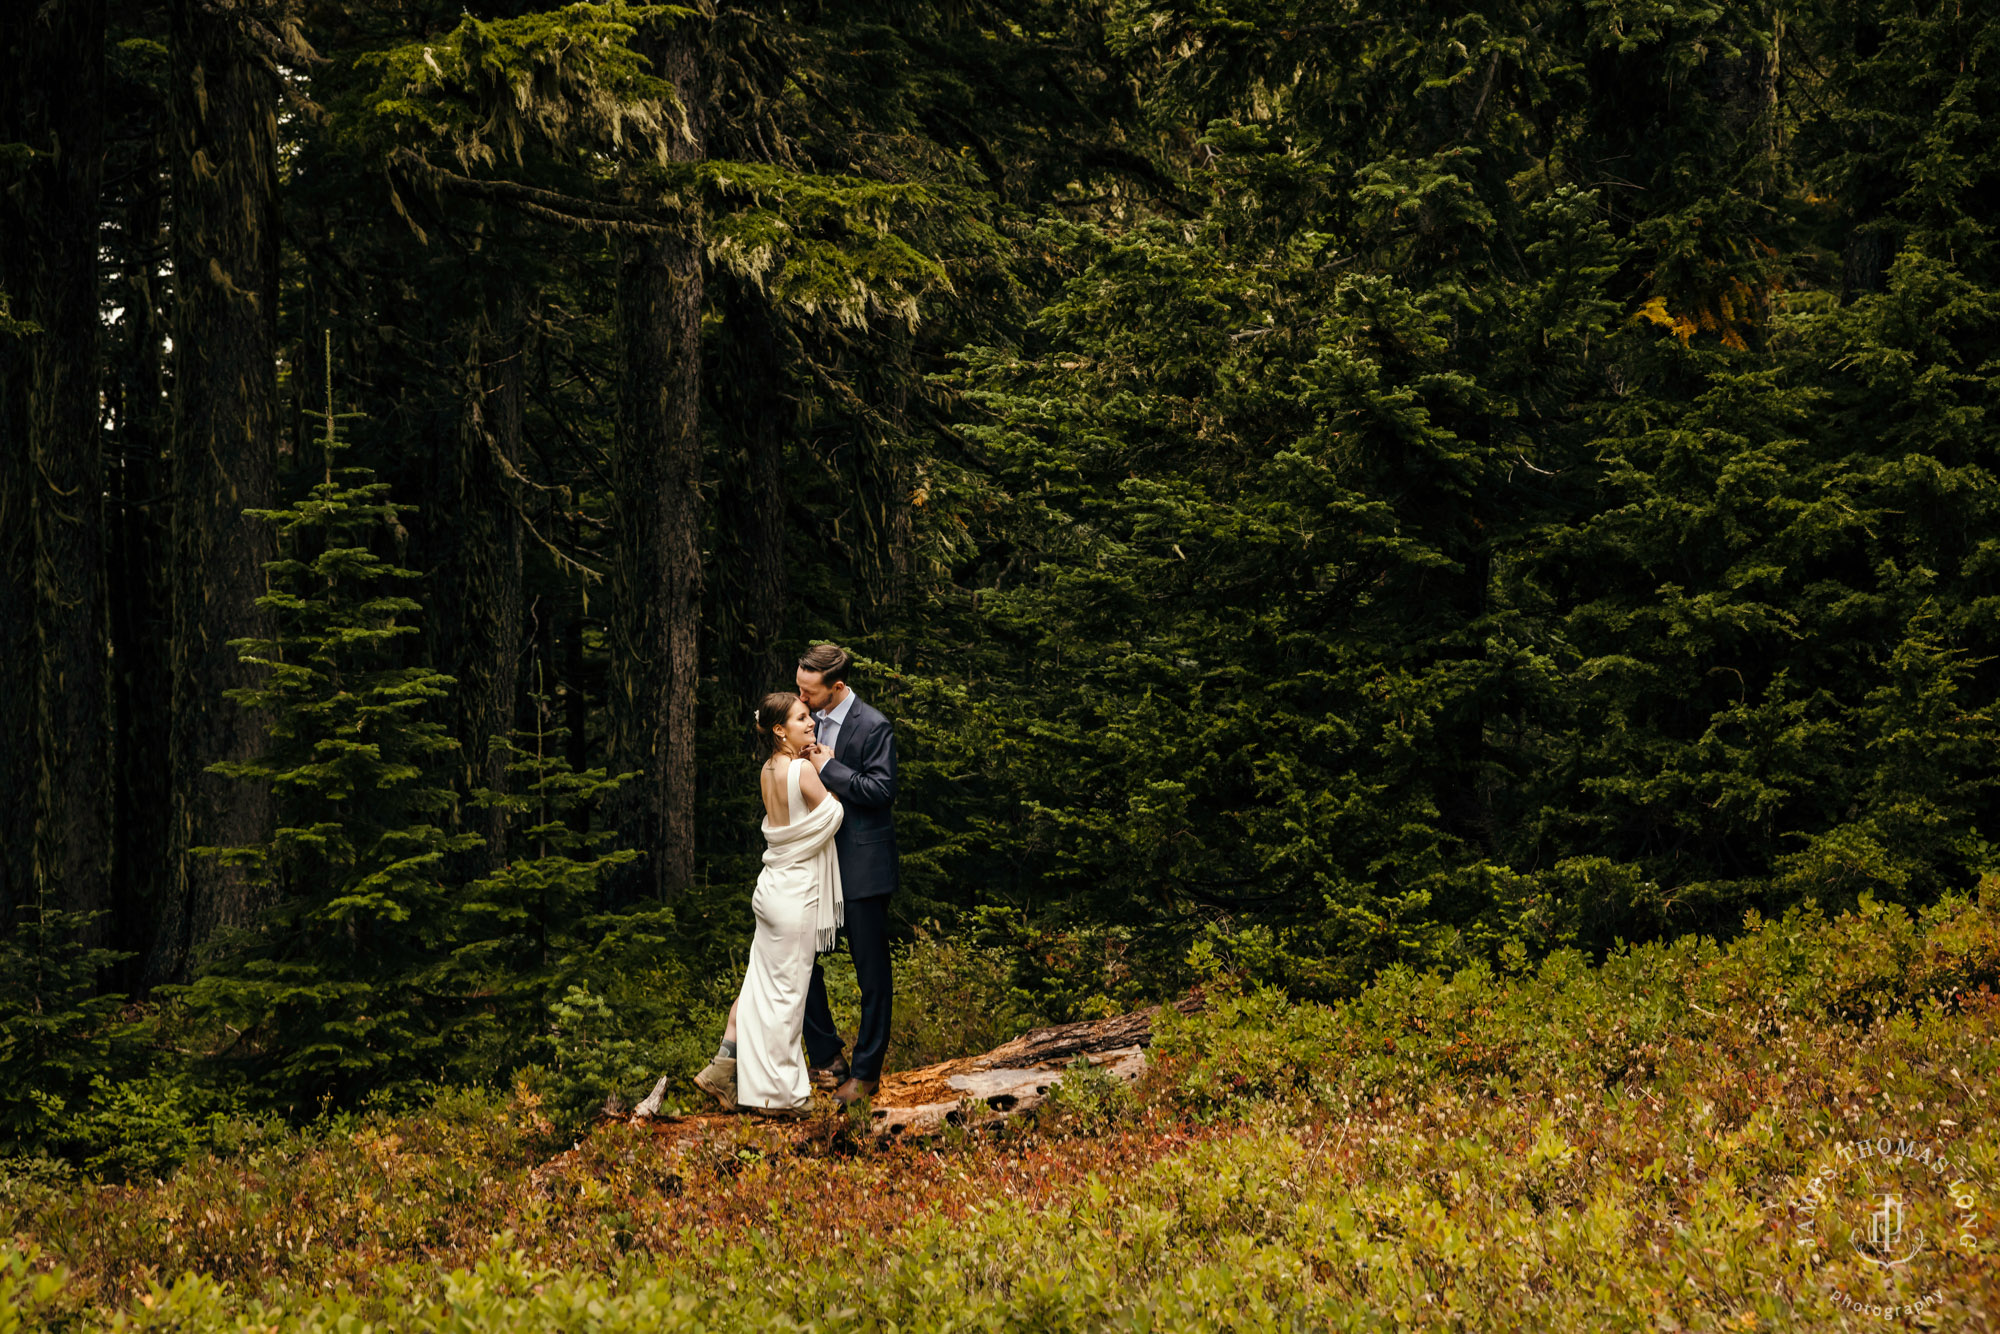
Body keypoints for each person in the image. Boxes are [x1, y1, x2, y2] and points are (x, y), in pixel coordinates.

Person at [693, 691, 844, 1116]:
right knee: (787, 997)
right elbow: (833, 815)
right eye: (801, 718)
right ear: (779, 730)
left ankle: (725, 1067)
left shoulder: (767, 769)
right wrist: (824, 764)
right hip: (795, 893)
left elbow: (788, 823)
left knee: (758, 988)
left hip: (770, 887)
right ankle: (780, 1096)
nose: (811, 722)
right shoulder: (800, 769)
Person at [792, 643, 898, 1106]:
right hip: (815, 867)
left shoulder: (874, 726)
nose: (801, 699)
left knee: (871, 974)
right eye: (798, 688)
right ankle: (826, 1055)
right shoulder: (802, 722)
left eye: (808, 691)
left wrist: (827, 766)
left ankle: (866, 1072)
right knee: (801, 961)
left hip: (862, 868)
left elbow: (880, 790)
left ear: (836, 687)